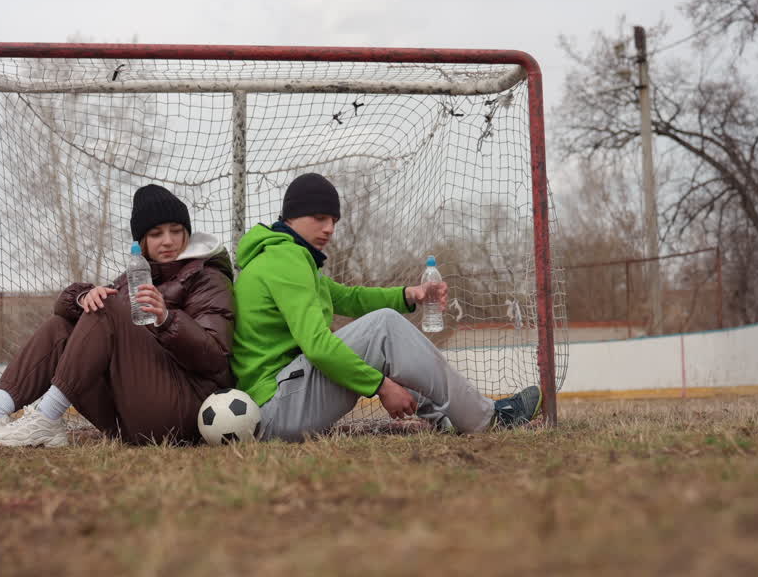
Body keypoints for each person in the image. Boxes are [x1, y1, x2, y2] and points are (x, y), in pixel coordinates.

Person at [230, 172, 542, 442]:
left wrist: (409, 294)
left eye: (334, 221)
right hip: (277, 409)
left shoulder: (284, 258)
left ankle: (447, 417)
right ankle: (487, 420)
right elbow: (317, 347)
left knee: (382, 332)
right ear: (291, 217)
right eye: (320, 218)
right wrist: (381, 386)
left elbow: (350, 299)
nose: (329, 229)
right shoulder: (286, 260)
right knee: (384, 328)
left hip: (279, 404)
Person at [0, 184, 235, 448]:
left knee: (109, 305)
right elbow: (64, 308)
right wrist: (82, 297)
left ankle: (47, 416)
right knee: (66, 322)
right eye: (156, 233)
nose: (167, 240)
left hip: (181, 410)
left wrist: (167, 319)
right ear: (141, 242)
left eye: (176, 231)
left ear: (187, 233)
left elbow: (215, 358)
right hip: (130, 415)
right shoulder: (134, 277)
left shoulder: (207, 278)